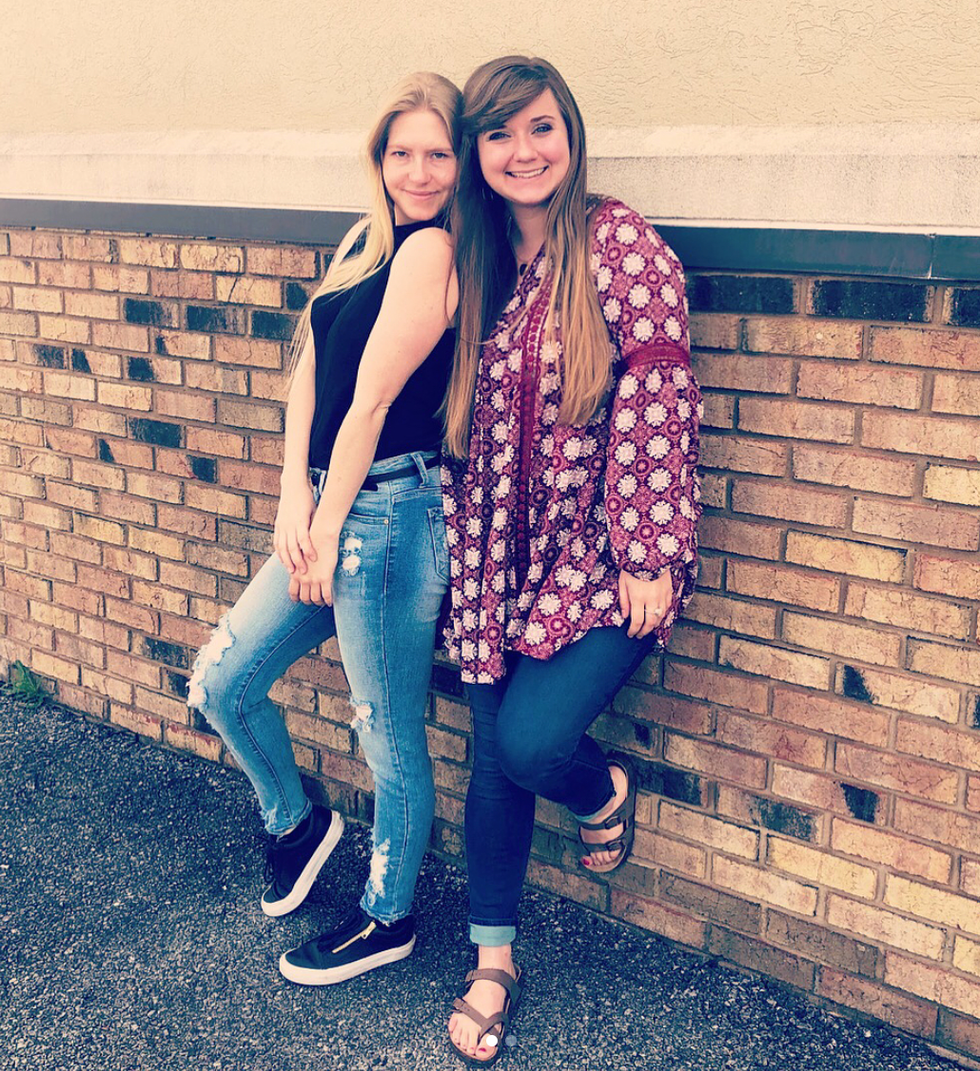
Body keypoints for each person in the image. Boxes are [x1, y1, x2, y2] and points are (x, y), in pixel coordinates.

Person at [441, 56, 701, 1063]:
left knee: (532, 742)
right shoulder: (474, 261)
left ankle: (601, 793)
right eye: (499, 134)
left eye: (540, 127)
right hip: (494, 556)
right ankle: (492, 963)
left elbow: (655, 391)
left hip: (599, 550)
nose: (523, 151)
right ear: (476, 152)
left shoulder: (616, 242)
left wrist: (646, 547)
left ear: (570, 133)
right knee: (489, 754)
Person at [186, 71, 461, 986]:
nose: (417, 171)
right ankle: (296, 825)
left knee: (387, 731)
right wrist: (289, 499)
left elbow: (373, 400)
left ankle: (388, 916)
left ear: (461, 164)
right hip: (325, 501)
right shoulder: (365, 240)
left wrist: (329, 522)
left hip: (389, 515)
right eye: (400, 151)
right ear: (378, 157)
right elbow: (309, 371)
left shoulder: (433, 251)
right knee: (222, 682)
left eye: (437, 153)